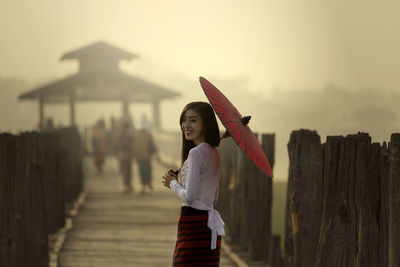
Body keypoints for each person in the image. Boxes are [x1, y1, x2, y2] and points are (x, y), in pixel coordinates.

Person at [162, 101, 225, 266]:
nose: (186, 125)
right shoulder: (214, 153)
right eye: (184, 120)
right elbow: (214, 196)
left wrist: (173, 184)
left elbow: (189, 197)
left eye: (193, 120)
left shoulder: (196, 153)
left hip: (193, 225)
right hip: (209, 225)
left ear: (205, 124)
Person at [133, 115, 157, 194]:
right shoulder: (148, 135)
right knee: (148, 170)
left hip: (140, 157)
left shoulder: (137, 135)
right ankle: (149, 182)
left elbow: (134, 147)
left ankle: (143, 187)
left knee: (141, 171)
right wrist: (156, 153)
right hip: (147, 156)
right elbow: (153, 145)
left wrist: (135, 155)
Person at [115, 121, 134, 193]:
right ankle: (128, 186)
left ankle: (125, 186)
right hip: (128, 156)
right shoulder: (130, 135)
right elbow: (133, 145)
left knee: (123, 172)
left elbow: (116, 145)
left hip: (122, 156)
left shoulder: (119, 136)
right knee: (128, 172)